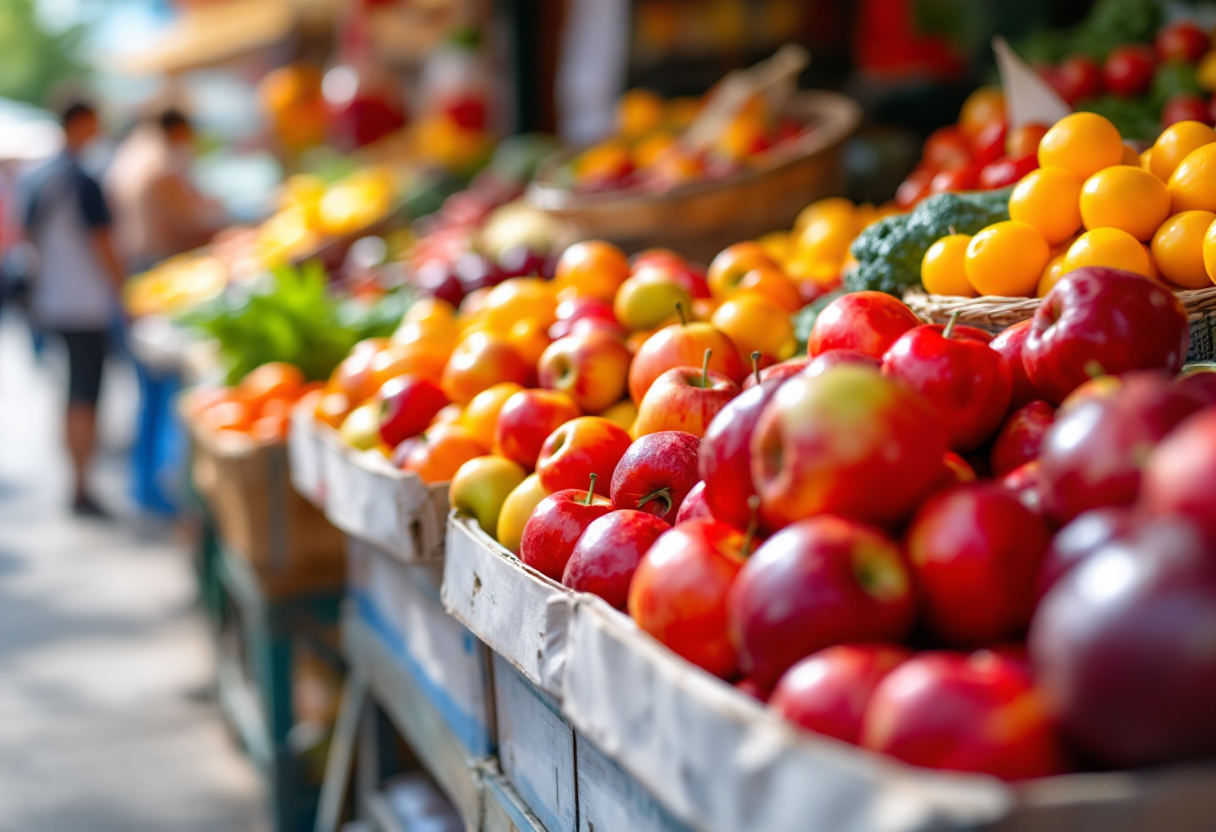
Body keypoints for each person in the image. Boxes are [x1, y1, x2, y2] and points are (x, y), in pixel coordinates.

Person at [106, 107, 225, 515]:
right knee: (172, 389)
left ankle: (145, 486)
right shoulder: (162, 165)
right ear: (179, 131)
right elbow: (190, 223)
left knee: (148, 390)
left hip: (139, 277)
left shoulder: (127, 159)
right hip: (163, 274)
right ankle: (169, 490)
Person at [20, 99, 125, 517]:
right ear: (82, 122)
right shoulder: (80, 179)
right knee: (86, 393)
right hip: (85, 302)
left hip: (53, 299)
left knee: (72, 392)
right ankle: (82, 484)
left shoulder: (37, 177)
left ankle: (77, 480)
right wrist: (126, 290)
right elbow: (102, 244)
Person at [107, 108, 225, 272]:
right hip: (160, 258)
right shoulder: (164, 162)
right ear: (180, 130)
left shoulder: (135, 151)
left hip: (133, 257)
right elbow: (188, 222)